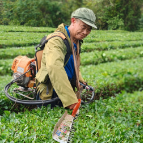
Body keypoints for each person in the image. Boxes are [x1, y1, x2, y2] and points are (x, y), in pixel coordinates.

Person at [35, 7, 97, 109]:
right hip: (50, 94)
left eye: (89, 29)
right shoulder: (57, 40)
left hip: (65, 92)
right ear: (73, 21)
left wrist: (79, 79)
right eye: (83, 27)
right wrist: (70, 100)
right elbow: (55, 67)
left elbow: (73, 64)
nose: (86, 32)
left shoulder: (76, 41)